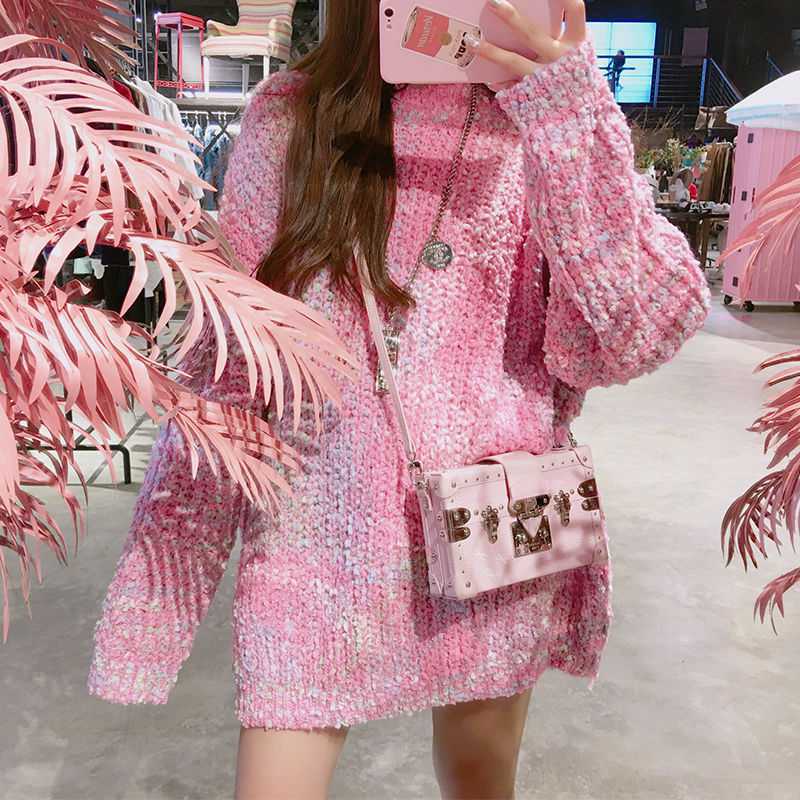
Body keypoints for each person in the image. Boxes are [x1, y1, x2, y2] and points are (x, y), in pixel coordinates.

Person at [87, 1, 711, 798]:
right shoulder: (289, 119)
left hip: (496, 525)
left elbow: (634, 333)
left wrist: (572, 119)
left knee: (480, 781)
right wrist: (155, 602)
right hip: (313, 544)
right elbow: (233, 368)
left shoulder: (542, 122)